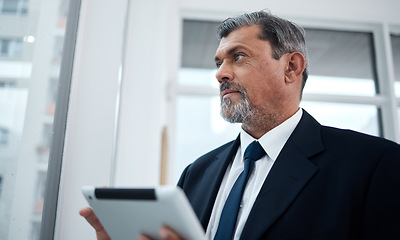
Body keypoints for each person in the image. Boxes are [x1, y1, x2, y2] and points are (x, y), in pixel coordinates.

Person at [80, 10, 400, 240]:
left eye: (238, 57)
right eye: (219, 62)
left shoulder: (375, 165)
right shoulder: (197, 172)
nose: (220, 73)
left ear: (291, 67)